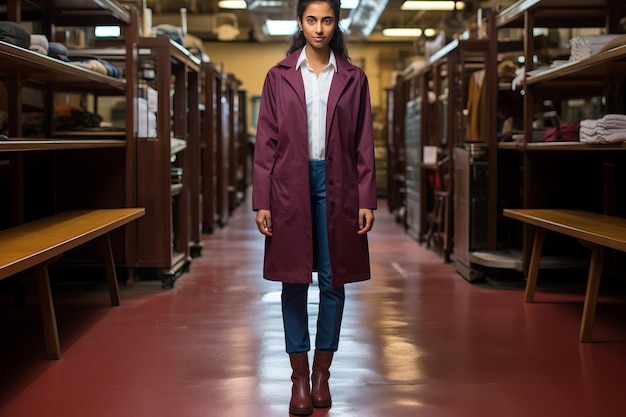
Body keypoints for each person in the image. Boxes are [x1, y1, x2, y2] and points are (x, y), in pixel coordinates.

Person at [252, 0, 376, 415]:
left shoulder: (354, 78)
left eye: (326, 20)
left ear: (336, 22)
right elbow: (265, 142)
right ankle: (299, 377)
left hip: (338, 183)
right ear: (300, 23)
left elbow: (363, 142)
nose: (319, 28)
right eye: (311, 20)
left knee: (333, 280)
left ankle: (323, 372)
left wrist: (366, 198)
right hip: (290, 184)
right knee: (293, 280)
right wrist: (262, 199)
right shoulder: (279, 75)